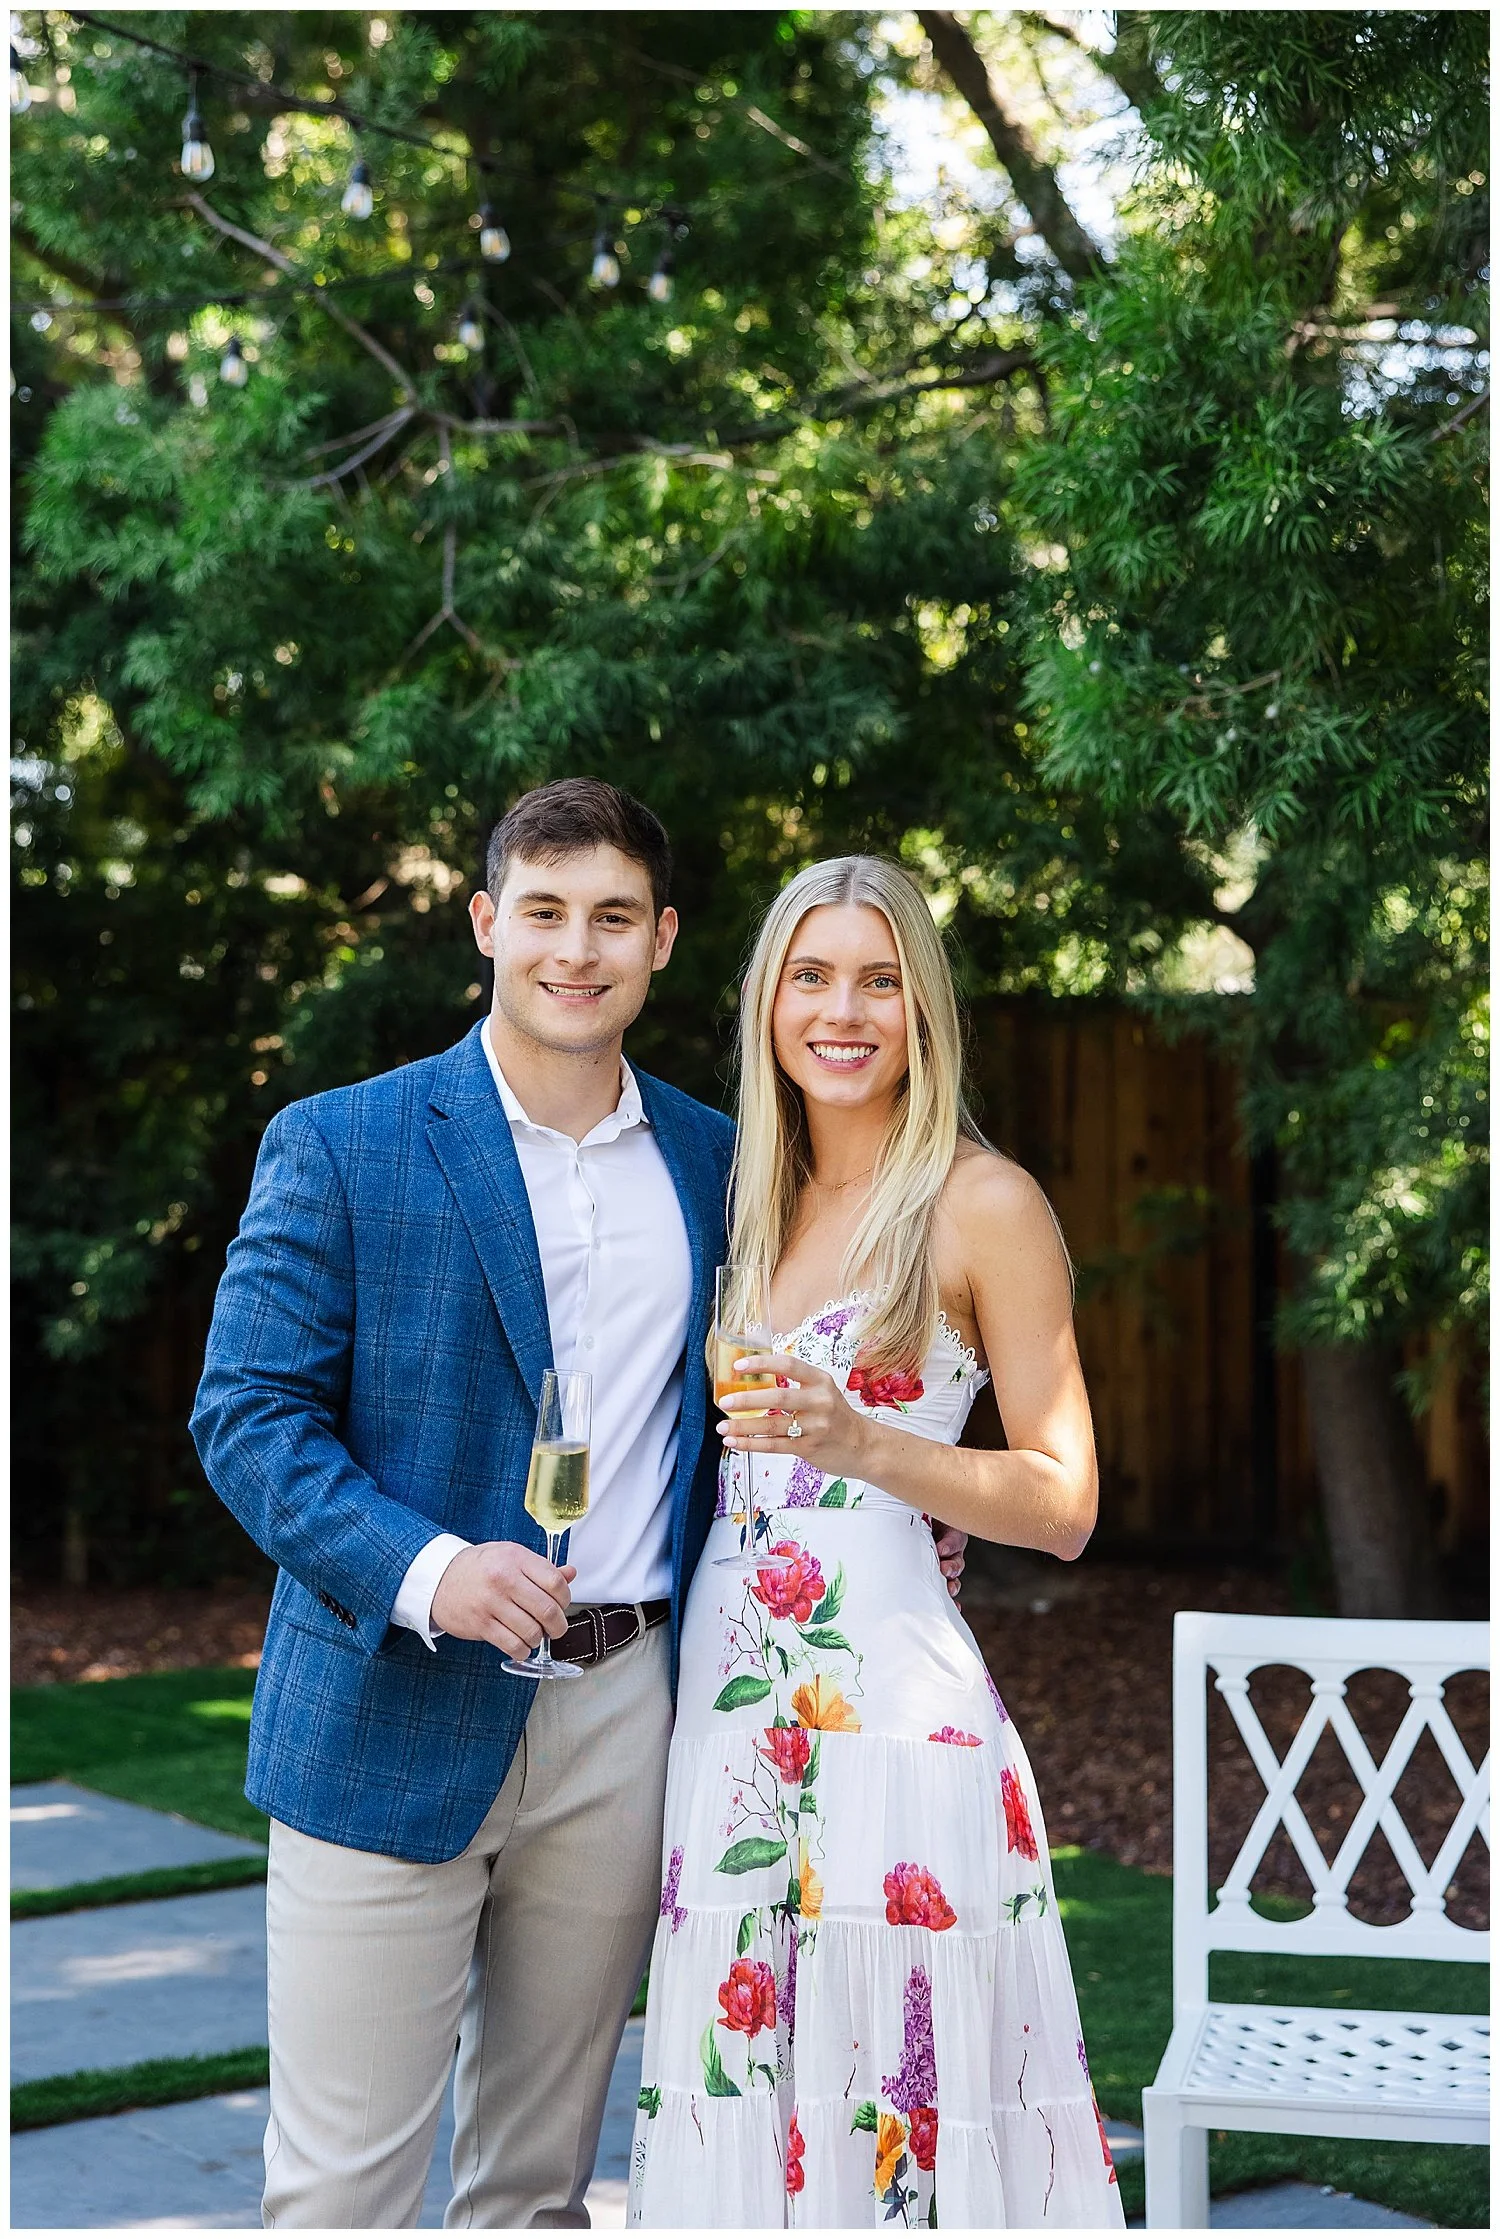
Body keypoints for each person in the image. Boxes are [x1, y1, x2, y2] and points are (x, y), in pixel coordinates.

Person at [191, 781, 965, 2229]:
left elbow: (790, 1394)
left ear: (662, 940)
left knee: (539, 2187)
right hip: (389, 1701)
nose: (576, 949)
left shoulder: (724, 1162)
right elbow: (245, 1416)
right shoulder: (344, 1142)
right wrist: (428, 1568)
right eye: (544, 912)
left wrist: (901, 1507)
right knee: (341, 2192)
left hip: (630, 1712)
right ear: (488, 923)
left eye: (613, 917)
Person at [628, 855, 1124, 2230]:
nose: (842, 1012)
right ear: (768, 1002)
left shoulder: (982, 1202)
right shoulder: (741, 1193)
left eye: (880, 980)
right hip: (730, 1723)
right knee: (741, 2088)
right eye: (812, 976)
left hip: (895, 1723)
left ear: (924, 1009)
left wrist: (869, 1448)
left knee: (895, 2100)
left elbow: (1067, 1499)